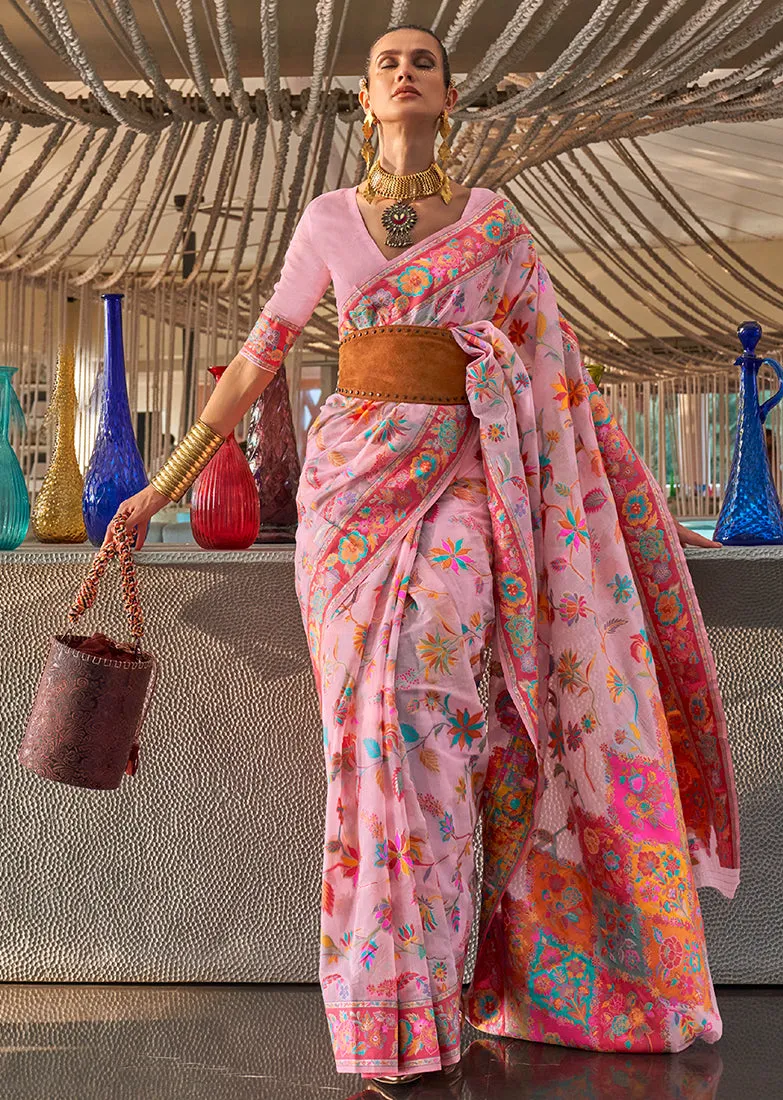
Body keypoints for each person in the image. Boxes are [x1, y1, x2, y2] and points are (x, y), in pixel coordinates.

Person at [107, 23, 740, 1088]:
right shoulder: (325, 221)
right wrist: (159, 485)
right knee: (364, 733)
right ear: (364, 99)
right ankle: (382, 1012)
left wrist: (618, 499)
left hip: (460, 482)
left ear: (449, 98)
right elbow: (262, 353)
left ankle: (438, 993)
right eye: (386, 63)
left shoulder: (495, 228)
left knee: (427, 715)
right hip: (348, 494)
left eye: (423, 63)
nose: (404, 71)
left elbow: (560, 377)